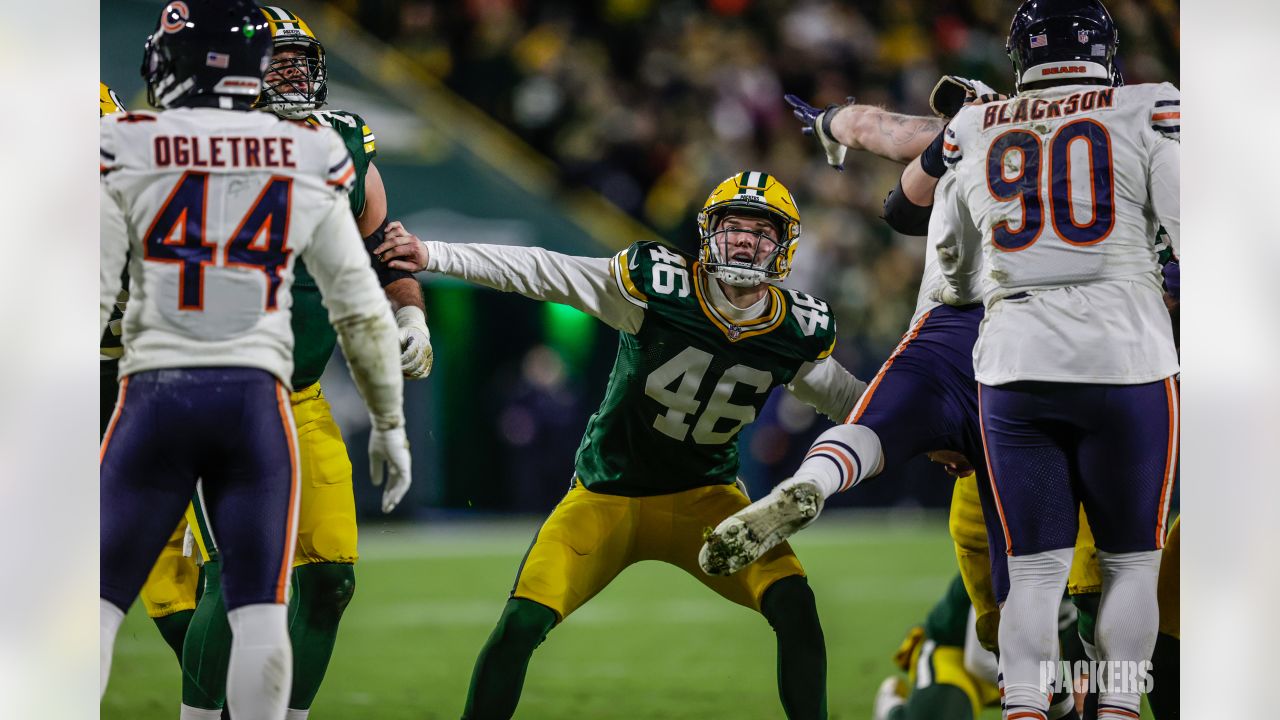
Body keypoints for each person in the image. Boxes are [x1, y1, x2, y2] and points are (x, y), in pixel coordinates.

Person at [376, 171, 867, 718]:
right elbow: (546, 271)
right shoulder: (658, 287)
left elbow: (858, 405)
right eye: (734, 226)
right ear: (710, 231)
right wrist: (433, 254)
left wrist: (943, 435)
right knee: (520, 625)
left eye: (762, 230)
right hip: (606, 494)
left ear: (784, 247)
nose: (746, 240)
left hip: (706, 500)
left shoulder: (794, 329)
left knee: (796, 608)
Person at [99, 3, 411, 719]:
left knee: (97, 605)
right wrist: (390, 418)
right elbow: (359, 301)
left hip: (160, 389)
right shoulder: (310, 156)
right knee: (258, 608)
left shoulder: (133, 140)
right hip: (253, 394)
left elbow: (90, 285)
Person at [934, 1, 1179, 718]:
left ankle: (1023, 707)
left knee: (1034, 573)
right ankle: (1121, 708)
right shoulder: (1149, 106)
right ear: (1104, 49)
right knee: (1132, 560)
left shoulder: (975, 125)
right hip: (1125, 357)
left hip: (1013, 361)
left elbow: (950, 260)